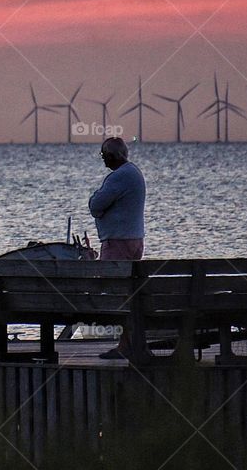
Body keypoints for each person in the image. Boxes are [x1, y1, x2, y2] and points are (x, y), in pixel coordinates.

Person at [88, 137, 146, 359]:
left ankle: (124, 346)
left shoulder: (119, 177)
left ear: (113, 156)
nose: (103, 161)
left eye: (104, 156)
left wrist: (97, 204)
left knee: (116, 294)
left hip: (118, 243)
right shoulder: (134, 173)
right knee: (127, 293)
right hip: (133, 240)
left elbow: (95, 205)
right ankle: (128, 342)